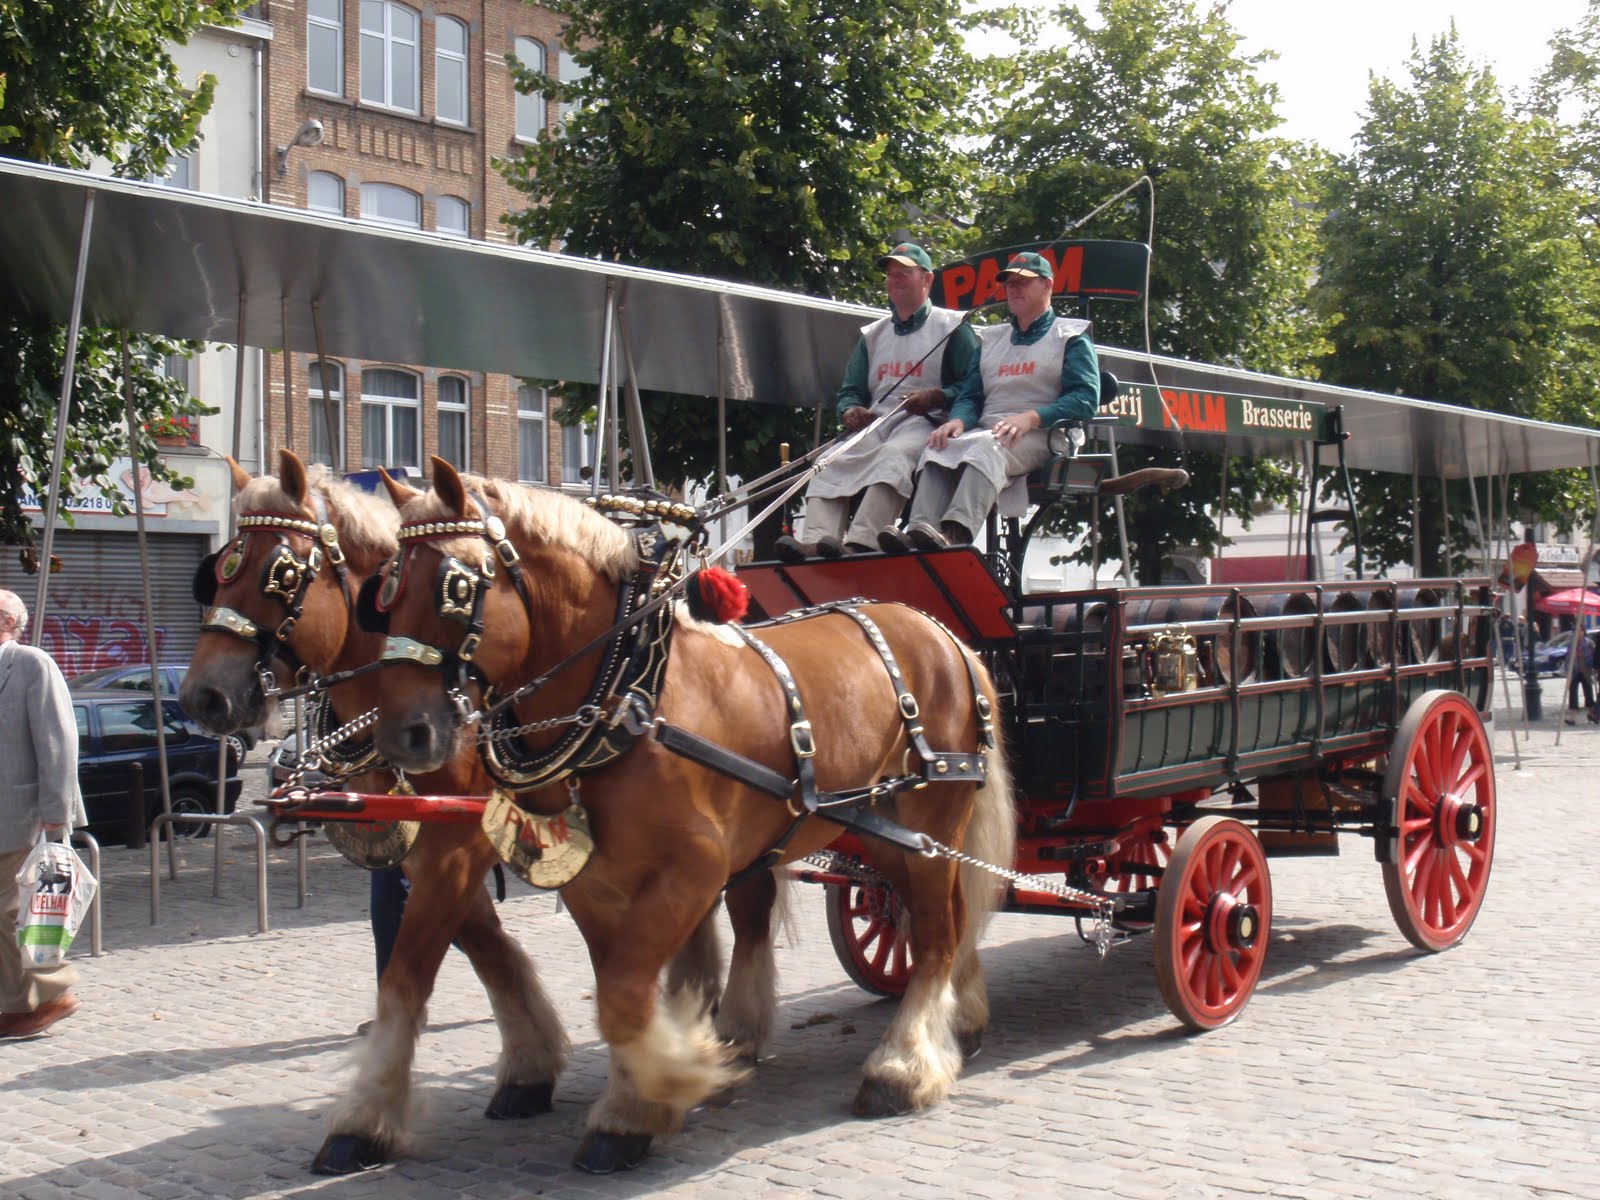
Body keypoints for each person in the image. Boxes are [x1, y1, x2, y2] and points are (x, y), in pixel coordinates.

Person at [880, 251, 1100, 551]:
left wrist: (1031, 418)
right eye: (1009, 282)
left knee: (988, 446)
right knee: (937, 444)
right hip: (990, 430)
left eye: (1023, 282)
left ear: (1047, 286)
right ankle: (920, 532)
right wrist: (958, 420)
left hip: (1045, 434)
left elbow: (1086, 398)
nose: (1013, 288)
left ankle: (955, 534)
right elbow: (971, 394)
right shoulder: (992, 338)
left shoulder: (1070, 336)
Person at [773, 242, 979, 560]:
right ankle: (817, 542)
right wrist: (850, 411)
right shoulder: (874, 334)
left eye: (904, 273)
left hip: (927, 423)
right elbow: (851, 389)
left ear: (927, 280)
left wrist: (938, 396)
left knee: (894, 457)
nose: (895, 279)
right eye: (890, 274)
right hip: (879, 422)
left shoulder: (952, 327)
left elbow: (973, 385)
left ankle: (862, 541)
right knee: (830, 461)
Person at [0, 588, 87, 1039]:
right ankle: (20, 1005)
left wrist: (56, 817)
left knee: (18, 912)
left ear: (5, 620)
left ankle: (47, 997)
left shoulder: (30, 664)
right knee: (9, 913)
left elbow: (58, 743)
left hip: (20, 816)